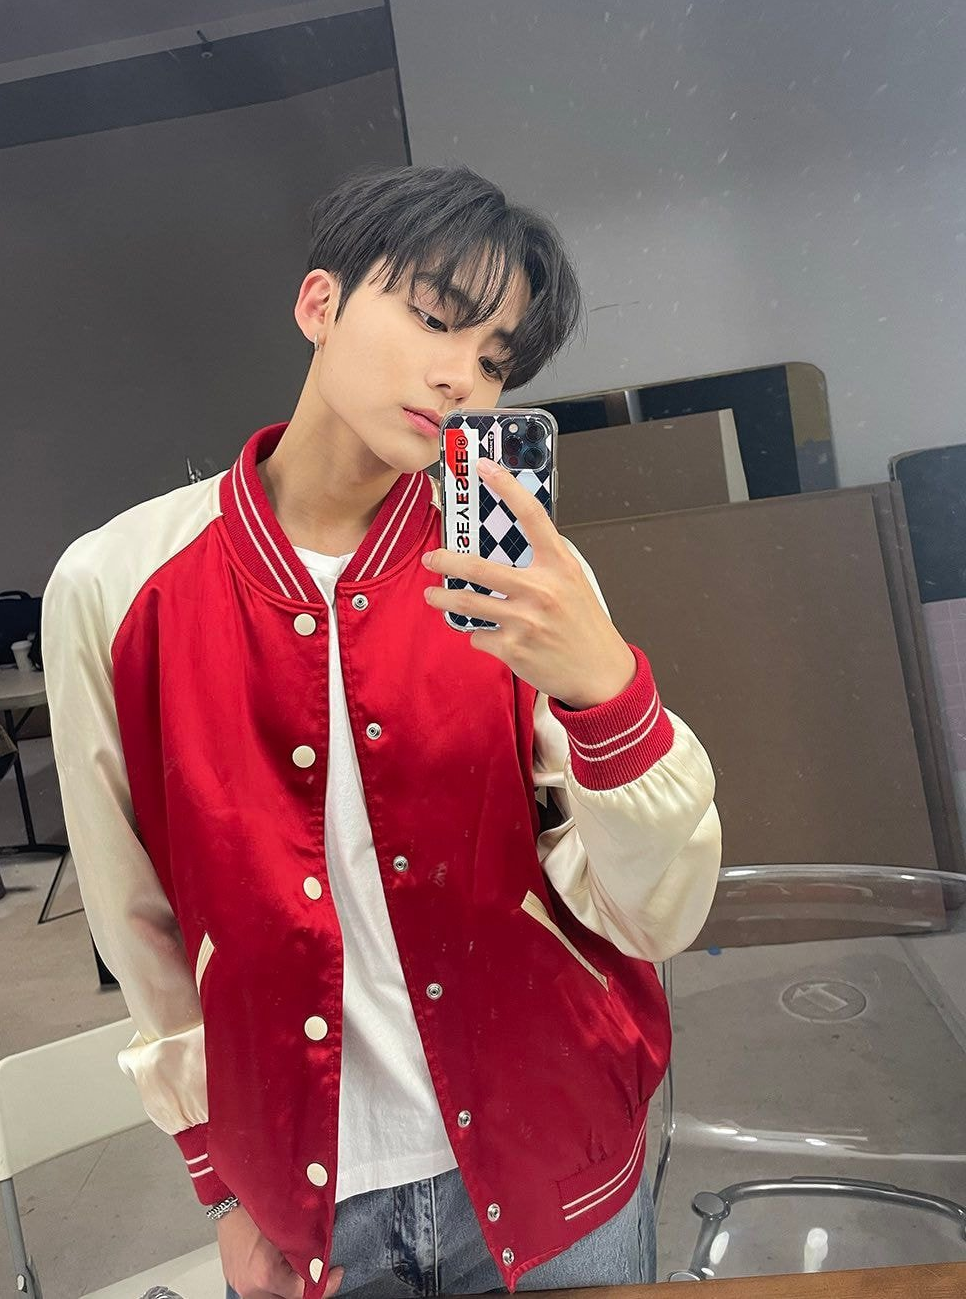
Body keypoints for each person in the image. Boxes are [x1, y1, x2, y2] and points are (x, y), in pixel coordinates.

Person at [42, 164, 722, 1299]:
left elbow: (657, 914)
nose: (461, 377)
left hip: (554, 1163)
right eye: (434, 318)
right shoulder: (117, 585)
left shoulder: (520, 581)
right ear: (320, 303)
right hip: (307, 1202)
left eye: (496, 360)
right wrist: (220, 1184)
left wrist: (605, 686)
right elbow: (136, 918)